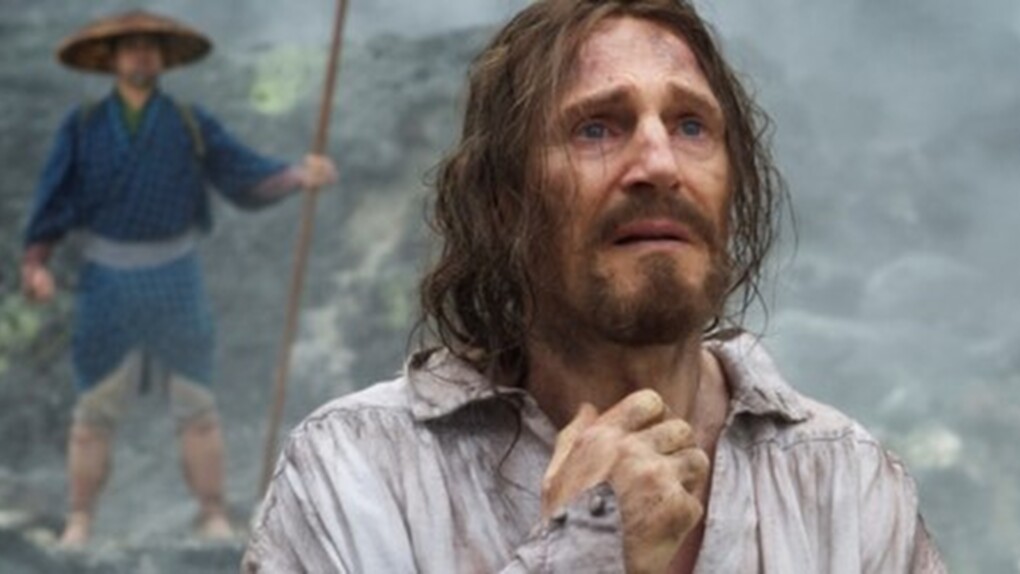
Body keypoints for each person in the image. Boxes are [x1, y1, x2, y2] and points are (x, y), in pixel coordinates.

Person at [243, 0, 945, 571]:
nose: (659, 163)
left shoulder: (843, 486)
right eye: (598, 129)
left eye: (691, 126)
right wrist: (585, 550)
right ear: (504, 203)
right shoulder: (355, 477)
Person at [19, 10, 337, 547]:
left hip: (176, 277)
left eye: (151, 47)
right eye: (131, 47)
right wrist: (35, 262)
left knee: (197, 406)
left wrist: (296, 175)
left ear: (164, 59)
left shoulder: (190, 122)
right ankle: (80, 520)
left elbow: (243, 174)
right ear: (112, 59)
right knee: (94, 411)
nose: (142, 55)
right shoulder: (83, 126)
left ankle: (212, 513)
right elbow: (54, 198)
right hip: (107, 282)